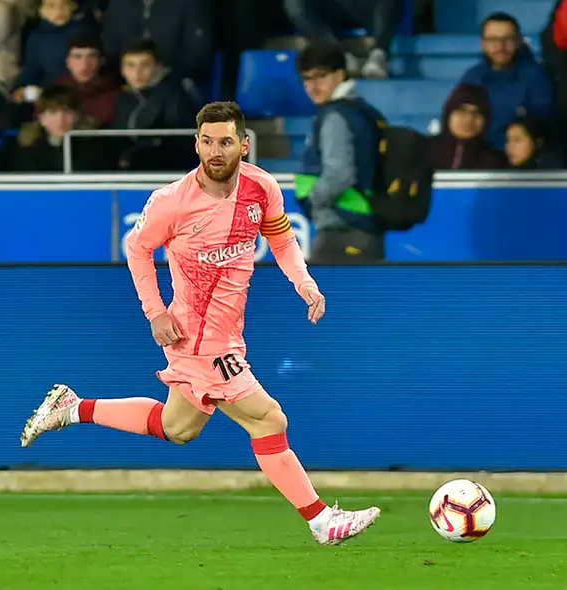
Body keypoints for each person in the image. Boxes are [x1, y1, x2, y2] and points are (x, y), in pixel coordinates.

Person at [21, 101, 381, 546]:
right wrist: (155, 312)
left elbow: (281, 238)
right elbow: (137, 249)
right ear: (196, 144)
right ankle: (322, 520)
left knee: (179, 427)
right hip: (196, 337)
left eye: (225, 142)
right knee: (269, 419)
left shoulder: (262, 188)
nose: (215, 151)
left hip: (227, 332)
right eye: (207, 142)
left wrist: (305, 283)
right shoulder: (171, 202)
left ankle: (73, 407)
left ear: (243, 145)